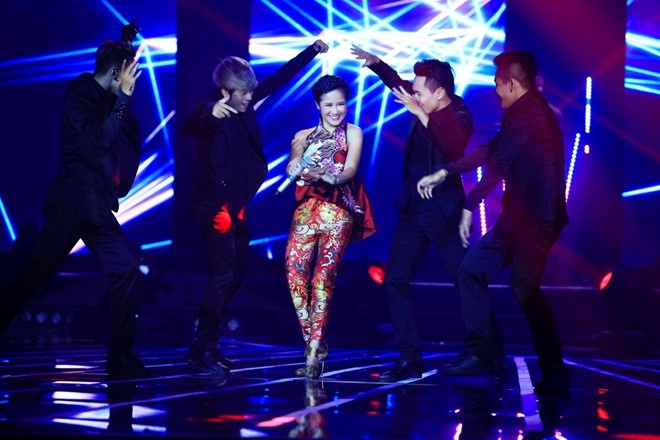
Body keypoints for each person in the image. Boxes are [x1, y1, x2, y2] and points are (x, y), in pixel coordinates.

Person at [0, 22, 149, 379]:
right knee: (35, 274)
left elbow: (118, 132)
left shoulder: (110, 97)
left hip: (97, 206)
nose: (132, 82)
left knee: (126, 268)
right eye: (126, 74)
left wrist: (125, 43)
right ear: (115, 75)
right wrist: (123, 98)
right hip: (71, 201)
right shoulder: (81, 94)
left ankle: (120, 356)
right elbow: (96, 143)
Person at [417, 50, 570, 394]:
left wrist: (470, 206)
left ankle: (555, 370)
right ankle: (483, 353)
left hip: (539, 218)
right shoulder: (519, 113)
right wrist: (446, 172)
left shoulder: (530, 113)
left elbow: (499, 164)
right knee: (471, 270)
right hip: (517, 218)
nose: (495, 90)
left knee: (524, 287)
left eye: (498, 83)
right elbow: (490, 150)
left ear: (512, 84)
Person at [181, 39, 329, 375]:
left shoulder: (245, 104)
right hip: (216, 208)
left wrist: (311, 51)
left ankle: (206, 344)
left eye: (251, 91)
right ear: (225, 92)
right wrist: (208, 111)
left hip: (238, 207)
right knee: (222, 276)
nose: (250, 97)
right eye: (244, 93)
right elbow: (188, 126)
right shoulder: (212, 112)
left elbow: (279, 78)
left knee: (235, 277)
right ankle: (203, 347)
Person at [350, 45, 473, 380]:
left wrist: (421, 113)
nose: (413, 95)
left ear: (440, 93)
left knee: (465, 279)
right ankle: (409, 357)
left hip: (443, 211)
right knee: (396, 278)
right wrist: (377, 63)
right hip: (413, 209)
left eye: (419, 92)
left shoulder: (460, 114)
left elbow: (452, 147)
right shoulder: (422, 98)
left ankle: (484, 351)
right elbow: (398, 83)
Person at [283, 75, 376, 379]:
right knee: (294, 274)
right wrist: (294, 166)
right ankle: (314, 340)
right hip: (306, 212)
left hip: (338, 211)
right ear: (317, 105)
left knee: (322, 279)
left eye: (341, 104)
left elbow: (350, 169)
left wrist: (332, 176)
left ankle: (312, 353)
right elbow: (293, 162)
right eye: (329, 105)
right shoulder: (302, 135)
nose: (336, 111)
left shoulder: (354, 132)